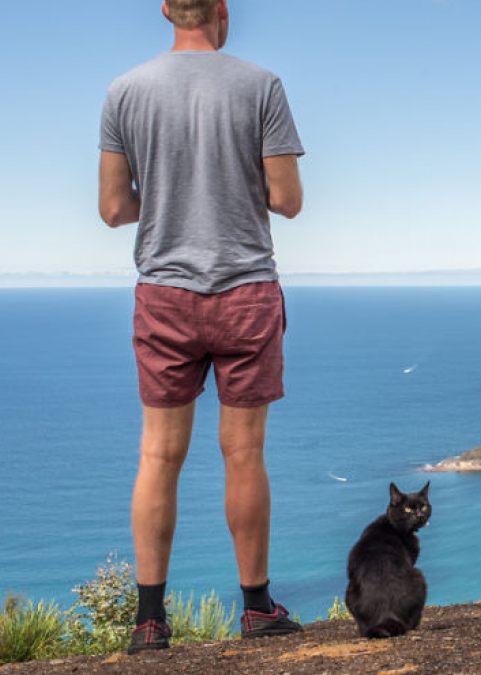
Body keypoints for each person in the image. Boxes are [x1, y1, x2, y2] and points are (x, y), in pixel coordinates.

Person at [98, 0, 305, 655]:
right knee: (243, 452)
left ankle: (150, 621)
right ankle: (255, 608)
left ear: (165, 8)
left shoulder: (124, 90)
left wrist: (163, 200)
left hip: (164, 292)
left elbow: (111, 208)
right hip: (244, 289)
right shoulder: (260, 85)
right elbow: (288, 199)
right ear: (219, 8)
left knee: (158, 454)